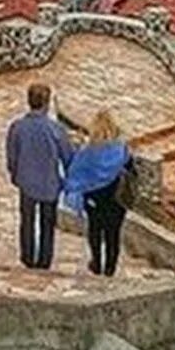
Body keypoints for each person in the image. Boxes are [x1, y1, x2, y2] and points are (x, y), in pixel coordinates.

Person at [5, 81, 73, 270]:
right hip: (49, 183)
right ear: (47, 103)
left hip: (26, 181)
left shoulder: (17, 127)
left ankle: (27, 258)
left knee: (26, 220)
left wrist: (14, 174)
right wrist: (69, 180)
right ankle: (44, 261)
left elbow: (11, 155)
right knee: (47, 223)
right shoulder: (56, 129)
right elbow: (67, 156)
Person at [62, 110, 132, 276]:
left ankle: (96, 263)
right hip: (116, 201)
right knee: (113, 236)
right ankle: (110, 269)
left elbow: (76, 173)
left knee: (95, 231)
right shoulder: (122, 150)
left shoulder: (89, 153)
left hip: (94, 200)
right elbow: (131, 170)